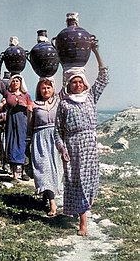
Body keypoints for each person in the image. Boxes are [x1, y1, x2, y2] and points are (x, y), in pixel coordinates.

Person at [54, 39, 109, 236]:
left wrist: (95, 51)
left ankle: (84, 211)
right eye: (73, 82)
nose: (77, 84)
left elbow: (104, 77)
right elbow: (57, 131)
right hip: (73, 147)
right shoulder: (64, 104)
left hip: (89, 146)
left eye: (80, 81)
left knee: (90, 181)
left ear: (84, 83)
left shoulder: (91, 97)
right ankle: (83, 222)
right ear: (69, 85)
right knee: (76, 182)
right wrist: (62, 149)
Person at [28, 77, 63, 216]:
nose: (46, 90)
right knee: (44, 170)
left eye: (49, 87)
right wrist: (27, 143)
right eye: (43, 88)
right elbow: (30, 127)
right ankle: (52, 204)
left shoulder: (58, 102)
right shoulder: (34, 105)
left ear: (53, 89)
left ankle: (48, 196)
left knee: (56, 170)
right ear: (39, 90)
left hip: (55, 138)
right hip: (39, 139)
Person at [0, 59, 33, 180]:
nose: (15, 82)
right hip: (11, 122)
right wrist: (0, 63)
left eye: (17, 81)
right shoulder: (8, 94)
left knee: (22, 144)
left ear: (21, 83)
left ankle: (22, 171)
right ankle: (14, 173)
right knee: (12, 144)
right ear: (10, 82)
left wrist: (27, 106)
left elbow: (32, 107)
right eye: (14, 80)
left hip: (23, 122)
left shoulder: (26, 95)